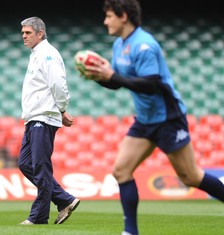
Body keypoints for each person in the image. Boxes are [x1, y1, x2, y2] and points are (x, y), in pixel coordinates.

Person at [80, 0, 224, 234]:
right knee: (121, 170)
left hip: (168, 118)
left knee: (191, 177)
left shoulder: (145, 45)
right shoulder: (119, 45)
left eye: (108, 16)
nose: (105, 21)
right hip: (145, 120)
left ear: (123, 16)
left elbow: (150, 84)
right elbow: (118, 83)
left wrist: (112, 75)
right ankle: (130, 231)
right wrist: (98, 76)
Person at [18, 16, 80, 225]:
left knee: (40, 166)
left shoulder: (48, 55)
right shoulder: (37, 55)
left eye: (28, 33)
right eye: (23, 32)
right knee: (25, 163)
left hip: (43, 117)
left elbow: (58, 85)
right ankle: (64, 199)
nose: (23, 36)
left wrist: (62, 109)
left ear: (40, 33)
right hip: (33, 117)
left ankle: (38, 217)